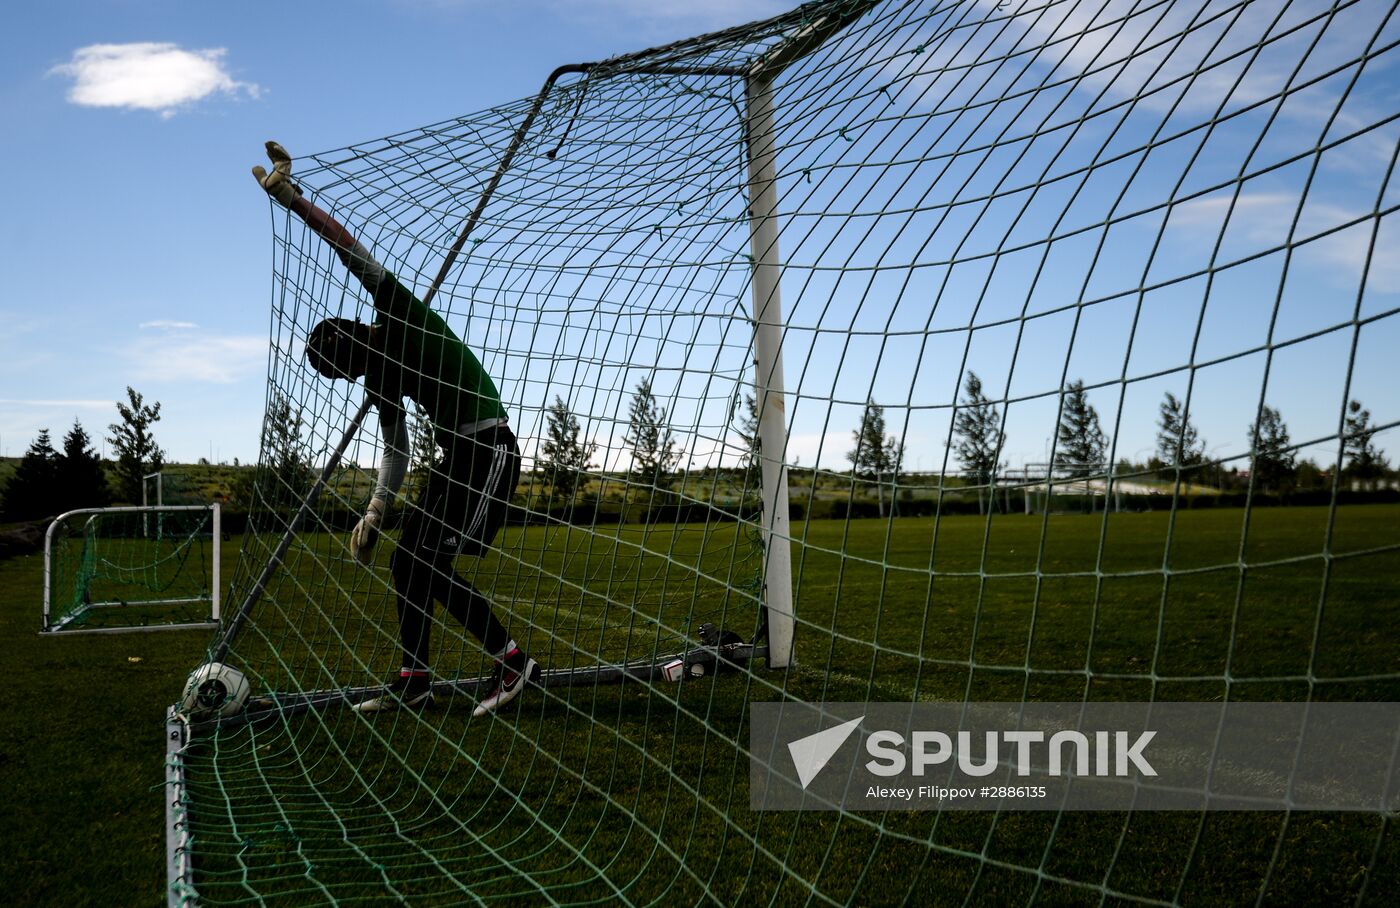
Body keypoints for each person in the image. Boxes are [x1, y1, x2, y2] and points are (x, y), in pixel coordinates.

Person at [252, 141, 539, 716]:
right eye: (348, 372)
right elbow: (397, 448)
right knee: (407, 560)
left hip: (489, 448)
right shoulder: (379, 374)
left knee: (429, 560)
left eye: (351, 362)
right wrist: (376, 510)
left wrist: (291, 199)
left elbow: (347, 248)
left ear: (357, 332)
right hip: (455, 457)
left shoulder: (399, 312)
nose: (357, 372)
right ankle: (415, 681)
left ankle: (512, 664)